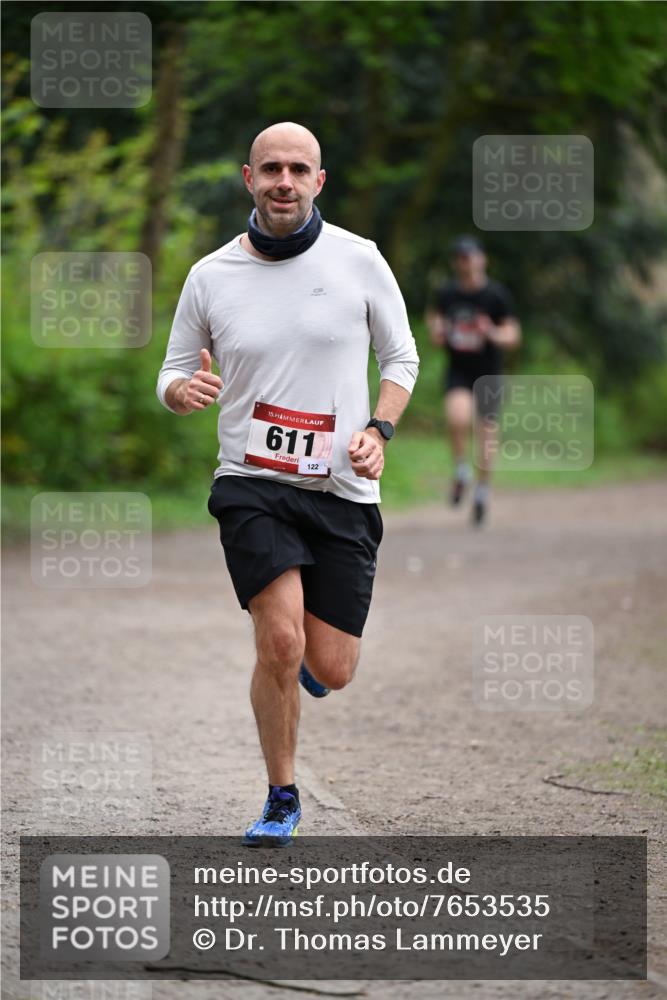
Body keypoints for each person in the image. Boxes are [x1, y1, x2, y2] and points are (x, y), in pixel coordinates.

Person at [156, 122, 419, 846]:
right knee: (277, 640)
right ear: (248, 177)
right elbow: (173, 367)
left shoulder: (359, 260)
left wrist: (378, 431)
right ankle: (280, 796)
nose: (283, 180)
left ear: (317, 181)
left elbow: (401, 359)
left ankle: (309, 669)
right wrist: (178, 393)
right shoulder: (212, 274)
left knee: (330, 667)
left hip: (339, 488)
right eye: (270, 167)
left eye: (297, 169)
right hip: (250, 480)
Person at [426, 236, 520, 525]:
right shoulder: (448, 293)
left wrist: (491, 332)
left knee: (487, 433)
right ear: (456, 262)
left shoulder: (496, 295)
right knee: (457, 419)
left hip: (489, 373)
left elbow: (513, 336)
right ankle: (461, 470)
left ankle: (482, 489)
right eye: (461, 257)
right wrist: (438, 331)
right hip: (460, 370)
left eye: (470, 257)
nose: (466, 263)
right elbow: (435, 322)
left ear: (482, 259)